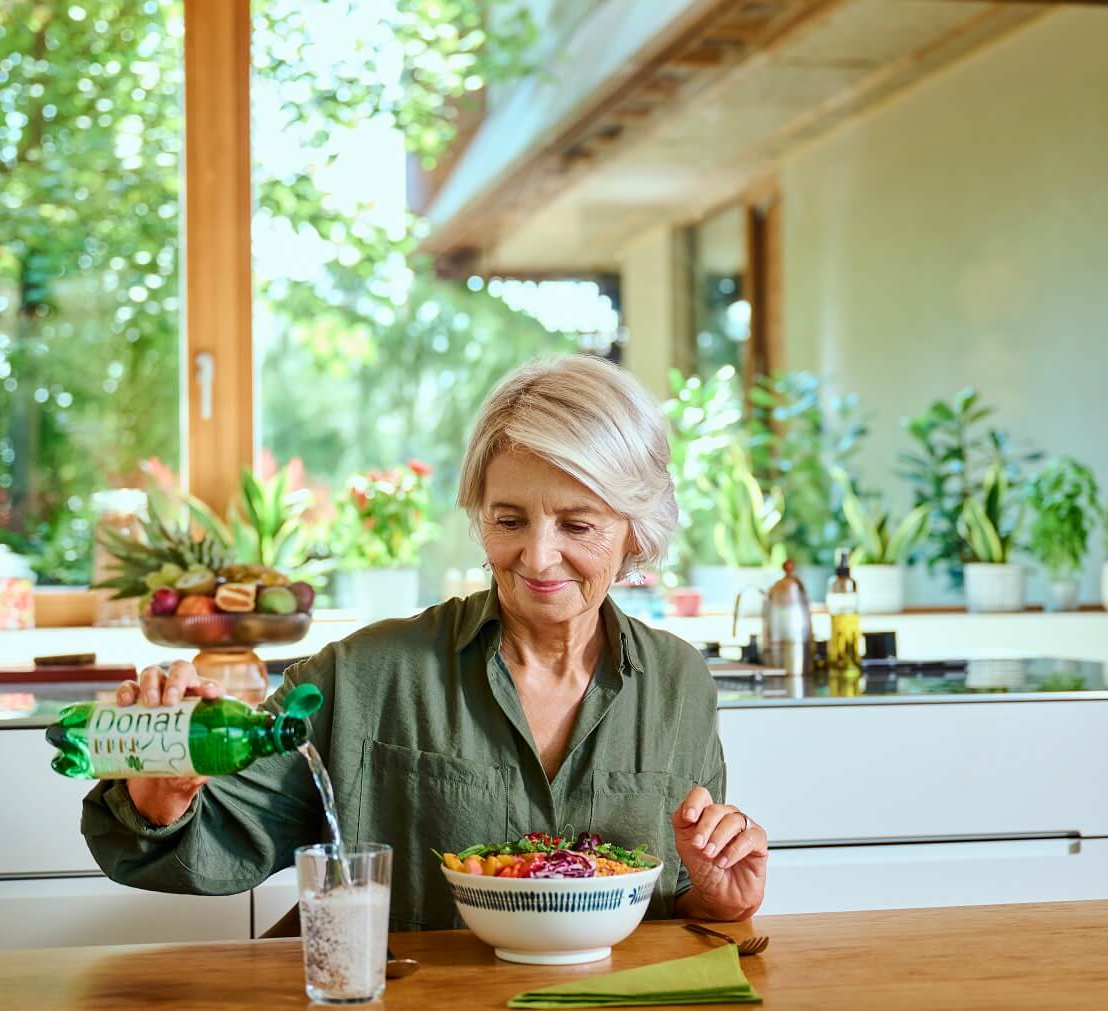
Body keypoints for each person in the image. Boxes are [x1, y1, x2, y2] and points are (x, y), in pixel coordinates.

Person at [81, 356, 767, 932]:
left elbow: (670, 910)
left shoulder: (679, 680)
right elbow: (214, 844)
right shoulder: (364, 674)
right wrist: (159, 796)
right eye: (509, 519)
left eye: (578, 525)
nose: (538, 555)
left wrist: (717, 895)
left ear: (636, 532)